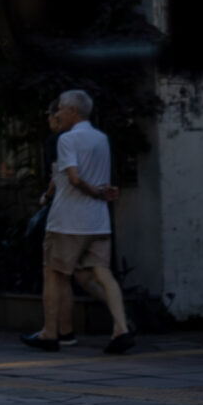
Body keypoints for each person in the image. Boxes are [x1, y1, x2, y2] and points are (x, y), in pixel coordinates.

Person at [25, 90, 132, 355]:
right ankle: (122, 328)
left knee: (53, 273)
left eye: (61, 108)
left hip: (68, 220)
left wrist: (94, 192)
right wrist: (101, 194)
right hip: (98, 221)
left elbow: (73, 178)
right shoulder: (101, 138)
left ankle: (50, 333)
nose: (58, 113)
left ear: (73, 111)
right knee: (103, 273)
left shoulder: (67, 139)